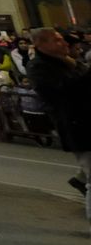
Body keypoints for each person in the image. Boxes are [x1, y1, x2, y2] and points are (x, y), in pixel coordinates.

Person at [26, 27, 91, 229]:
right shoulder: (39, 67)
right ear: (41, 44)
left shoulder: (70, 62)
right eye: (57, 40)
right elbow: (65, 91)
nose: (63, 43)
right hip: (78, 127)